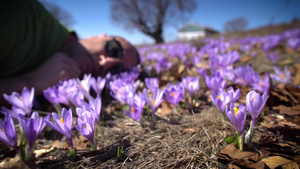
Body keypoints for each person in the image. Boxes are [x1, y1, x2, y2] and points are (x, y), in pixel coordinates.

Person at [0, 0, 140, 106]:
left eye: (116, 70)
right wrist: (30, 81)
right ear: (100, 35)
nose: (105, 63)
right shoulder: (20, 18)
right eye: (114, 50)